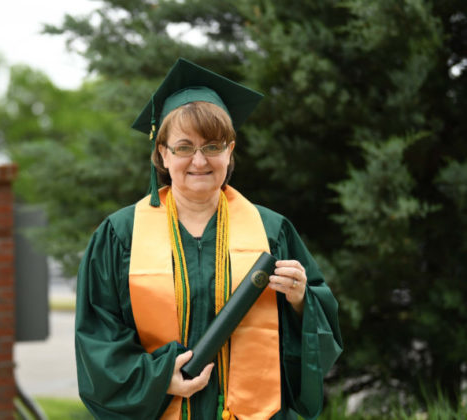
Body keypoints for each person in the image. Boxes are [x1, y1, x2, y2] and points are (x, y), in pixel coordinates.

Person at [75, 58, 343, 420]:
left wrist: (300, 301)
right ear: (162, 154)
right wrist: (157, 377)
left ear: (230, 151)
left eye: (213, 146)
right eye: (184, 147)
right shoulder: (121, 235)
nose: (199, 160)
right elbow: (97, 339)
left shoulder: (272, 232)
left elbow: (317, 336)